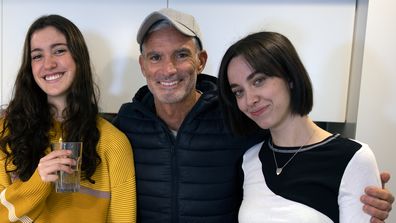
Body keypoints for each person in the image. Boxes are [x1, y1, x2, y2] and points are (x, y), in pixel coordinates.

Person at [113, 8, 394, 223]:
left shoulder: (236, 121)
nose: (169, 69)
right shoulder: (126, 125)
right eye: (155, 57)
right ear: (143, 65)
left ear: (201, 61)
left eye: (181, 54)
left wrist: (353, 177)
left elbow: (297, 142)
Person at [217, 31, 389, 222]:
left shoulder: (354, 158)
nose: (249, 100)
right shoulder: (249, 159)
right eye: (238, 92)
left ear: (290, 77)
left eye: (258, 81)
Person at [0, 15, 136, 223]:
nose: (49, 64)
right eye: (37, 56)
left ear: (78, 58)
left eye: (59, 50)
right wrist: (37, 182)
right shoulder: (5, 134)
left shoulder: (114, 143)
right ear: (30, 68)